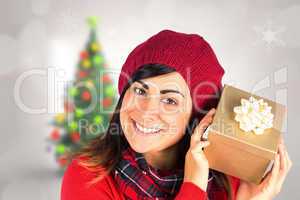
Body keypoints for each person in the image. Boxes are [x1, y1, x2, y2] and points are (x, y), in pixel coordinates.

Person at [60, 30, 292, 200]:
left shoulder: (231, 180)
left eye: (169, 100)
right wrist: (193, 185)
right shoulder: (87, 175)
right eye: (140, 90)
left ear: (197, 116)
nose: (146, 110)